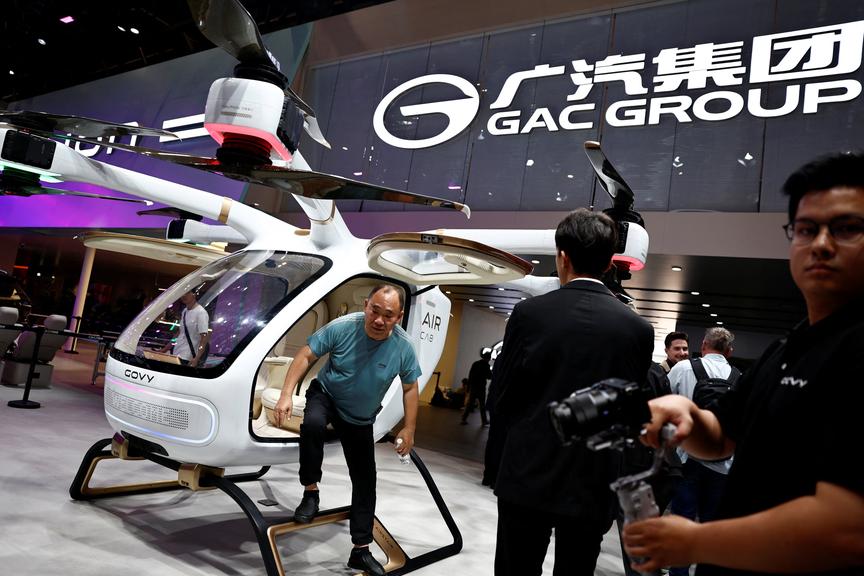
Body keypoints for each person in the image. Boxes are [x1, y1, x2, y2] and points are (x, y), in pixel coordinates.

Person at [623, 152, 864, 576]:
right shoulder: (790, 345)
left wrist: (695, 541)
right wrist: (687, 414)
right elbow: (723, 436)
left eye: (846, 229)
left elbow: (845, 529)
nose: (821, 245)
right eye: (806, 229)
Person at [490, 208, 655, 576]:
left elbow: (502, 396)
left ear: (562, 256)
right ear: (610, 262)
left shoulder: (529, 314)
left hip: (527, 473)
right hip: (593, 482)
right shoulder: (638, 330)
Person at [272, 284, 421, 576]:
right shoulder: (343, 327)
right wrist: (286, 394)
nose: (379, 320)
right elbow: (305, 355)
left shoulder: (403, 347)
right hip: (327, 395)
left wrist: (409, 428)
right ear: (366, 305)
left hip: (359, 416)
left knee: (366, 479)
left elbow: (410, 387)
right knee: (313, 424)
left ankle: (360, 550)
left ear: (399, 316)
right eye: (374, 311)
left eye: (388, 315)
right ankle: (311, 492)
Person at [666, 327, 739, 576]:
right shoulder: (739, 378)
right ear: (729, 351)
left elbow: (665, 404)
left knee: (682, 524)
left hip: (686, 459)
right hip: (723, 463)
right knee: (713, 528)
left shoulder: (683, 368)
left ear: (704, 345)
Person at [162, 290, 209, 367]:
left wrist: (197, 358)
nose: (183, 296)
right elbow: (179, 333)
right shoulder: (185, 311)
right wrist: (165, 349)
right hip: (176, 353)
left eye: (187, 293)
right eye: (182, 293)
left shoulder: (201, 313)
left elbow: (204, 338)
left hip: (188, 357)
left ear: (194, 294)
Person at [461, 348, 492, 426]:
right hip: (481, 388)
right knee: (482, 405)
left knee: (469, 404)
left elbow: (470, 375)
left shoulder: (475, 364)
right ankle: (484, 421)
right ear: (488, 358)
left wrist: (468, 387)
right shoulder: (486, 366)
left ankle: (464, 419)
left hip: (474, 387)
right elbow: (489, 376)